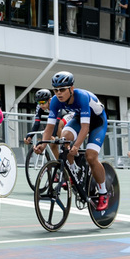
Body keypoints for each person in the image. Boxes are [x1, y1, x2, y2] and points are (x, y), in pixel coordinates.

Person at [33, 71, 110, 210]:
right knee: (64, 137)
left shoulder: (82, 97)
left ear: (71, 89)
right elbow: (49, 127)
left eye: (62, 89)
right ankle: (73, 171)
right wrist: (43, 145)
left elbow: (86, 127)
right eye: (56, 90)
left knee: (91, 156)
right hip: (79, 119)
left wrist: (77, 146)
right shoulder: (56, 101)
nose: (59, 93)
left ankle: (104, 193)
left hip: (97, 121)